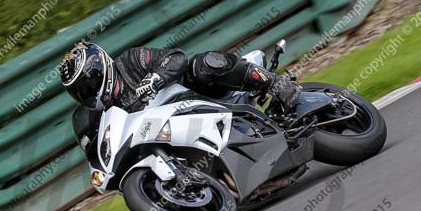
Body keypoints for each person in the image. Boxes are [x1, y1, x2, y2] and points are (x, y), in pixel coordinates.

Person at [59, 42, 301, 160]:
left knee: (203, 64)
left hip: (196, 97)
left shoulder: (131, 61)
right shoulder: (99, 116)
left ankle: (276, 84)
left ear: (102, 69)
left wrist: (154, 79)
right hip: (172, 135)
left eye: (87, 85)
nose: (87, 93)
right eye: (79, 92)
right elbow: (98, 151)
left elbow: (175, 58)